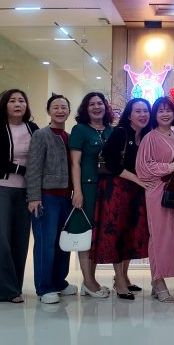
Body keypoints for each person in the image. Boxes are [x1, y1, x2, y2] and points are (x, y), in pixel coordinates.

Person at [92, 98, 152, 300]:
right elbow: (111, 162)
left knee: (131, 234)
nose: (143, 114)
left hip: (136, 191)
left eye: (145, 110)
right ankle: (118, 280)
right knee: (117, 234)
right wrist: (136, 179)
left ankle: (124, 276)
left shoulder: (146, 135)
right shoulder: (121, 133)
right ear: (129, 115)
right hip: (117, 190)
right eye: (138, 111)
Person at [0, 89, 39, 303]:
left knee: (20, 239)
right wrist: (19, 169)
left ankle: (15, 286)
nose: (17, 104)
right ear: (5, 105)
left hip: (26, 190)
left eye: (21, 100)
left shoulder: (32, 128)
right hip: (0, 187)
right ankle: (5, 290)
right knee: (1, 240)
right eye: (12, 101)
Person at [25, 94, 77, 304]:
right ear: (49, 111)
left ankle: (59, 282)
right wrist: (34, 197)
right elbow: (33, 167)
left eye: (64, 107)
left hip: (66, 198)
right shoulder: (41, 135)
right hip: (46, 197)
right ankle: (44, 287)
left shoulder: (69, 136)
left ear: (69, 111)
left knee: (63, 243)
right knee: (45, 244)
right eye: (55, 107)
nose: (60, 111)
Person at [136, 97, 174, 303]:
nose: (165, 114)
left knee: (172, 236)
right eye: (160, 111)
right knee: (158, 236)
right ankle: (158, 281)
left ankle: (157, 280)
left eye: (168, 110)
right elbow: (142, 167)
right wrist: (167, 167)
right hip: (157, 191)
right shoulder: (150, 137)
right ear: (155, 115)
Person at [68, 92, 113, 298]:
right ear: (86, 109)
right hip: (87, 188)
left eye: (100, 103)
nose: (96, 107)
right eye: (92, 104)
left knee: (98, 235)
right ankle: (88, 281)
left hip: (108, 189)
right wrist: (77, 191)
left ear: (105, 106)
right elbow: (75, 163)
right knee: (86, 234)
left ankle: (91, 281)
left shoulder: (112, 130)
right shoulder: (80, 130)